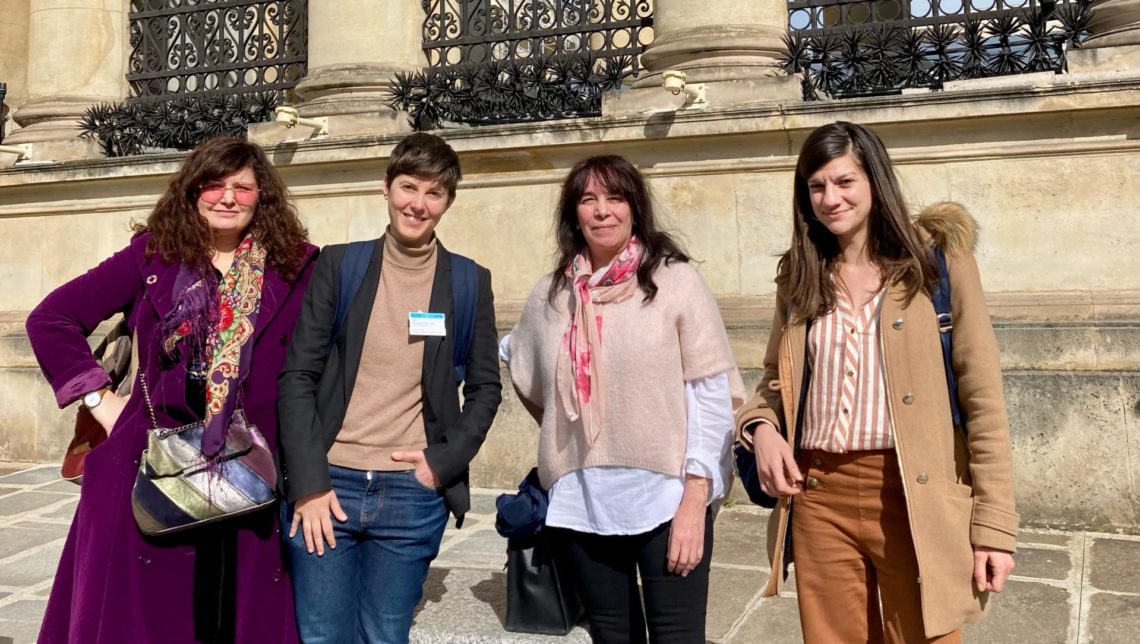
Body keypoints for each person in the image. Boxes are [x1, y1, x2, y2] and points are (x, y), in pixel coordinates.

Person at [735, 121, 1018, 643]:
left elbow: (983, 399)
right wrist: (762, 429)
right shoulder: (800, 274)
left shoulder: (935, 265)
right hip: (818, 493)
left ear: (874, 180)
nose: (830, 198)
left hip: (911, 493)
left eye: (844, 182)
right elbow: (776, 378)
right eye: (816, 186)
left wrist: (994, 528)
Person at [27, 136, 317, 643]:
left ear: (261, 197)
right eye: (214, 185)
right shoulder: (153, 257)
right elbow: (51, 318)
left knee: (235, 611)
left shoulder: (296, 267)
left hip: (251, 464)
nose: (227, 198)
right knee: (148, 613)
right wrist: (100, 400)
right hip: (148, 459)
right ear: (192, 191)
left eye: (242, 188)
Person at [504, 155, 743, 643]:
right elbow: (521, 366)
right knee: (613, 638)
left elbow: (710, 398)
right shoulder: (552, 296)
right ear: (574, 213)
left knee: (677, 638)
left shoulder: (674, 283)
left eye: (615, 198)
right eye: (588, 199)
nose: (602, 211)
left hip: (666, 500)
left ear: (635, 208)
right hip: (581, 503)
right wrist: (563, 435)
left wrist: (696, 501)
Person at [276, 132, 502, 643]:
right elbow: (297, 377)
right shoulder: (340, 266)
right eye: (408, 187)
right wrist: (309, 483)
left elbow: (487, 388)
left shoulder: (468, 281)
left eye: (434, 193)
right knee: (321, 633)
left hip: (410, 494)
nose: (417, 205)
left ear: (448, 202)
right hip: (330, 485)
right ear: (386, 188)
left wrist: (441, 464)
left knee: (385, 633)